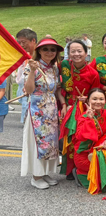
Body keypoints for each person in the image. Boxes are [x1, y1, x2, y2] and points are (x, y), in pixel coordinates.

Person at [21, 38, 66, 189]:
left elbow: (57, 88)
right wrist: (33, 71)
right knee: (39, 142)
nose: (49, 52)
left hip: (51, 108)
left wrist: (63, 104)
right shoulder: (32, 65)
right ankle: (36, 176)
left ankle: (45, 172)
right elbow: (28, 90)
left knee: (51, 144)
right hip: (37, 109)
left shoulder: (54, 68)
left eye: (52, 50)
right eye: (45, 49)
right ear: (39, 50)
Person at [59, 40, 101, 179]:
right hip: (68, 106)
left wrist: (88, 98)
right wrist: (64, 105)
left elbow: (96, 93)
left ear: (86, 53)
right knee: (68, 138)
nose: (76, 54)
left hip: (84, 109)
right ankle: (68, 169)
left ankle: (79, 167)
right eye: (73, 51)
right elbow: (59, 86)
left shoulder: (92, 73)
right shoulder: (64, 65)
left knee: (80, 137)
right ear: (68, 53)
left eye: (79, 51)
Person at [73, 88, 106, 193]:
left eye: (101, 99)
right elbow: (81, 137)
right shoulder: (83, 117)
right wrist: (89, 119)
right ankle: (80, 172)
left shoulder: (104, 113)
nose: (98, 102)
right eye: (94, 99)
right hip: (85, 155)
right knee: (105, 176)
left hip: (98, 149)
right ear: (88, 101)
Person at [15, 28, 38, 124]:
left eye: (23, 42)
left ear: (33, 40)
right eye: (19, 42)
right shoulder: (26, 56)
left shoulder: (41, 55)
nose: (21, 45)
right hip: (29, 96)